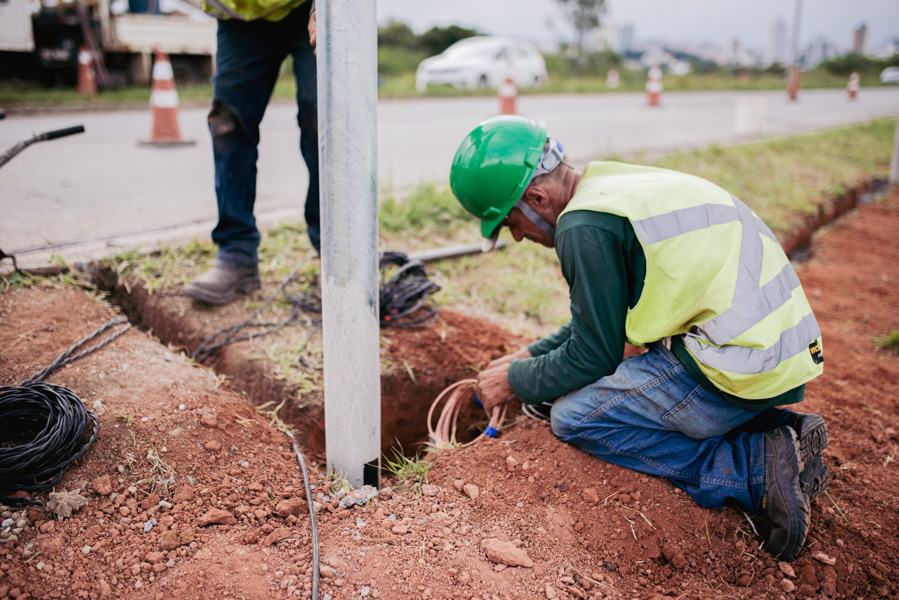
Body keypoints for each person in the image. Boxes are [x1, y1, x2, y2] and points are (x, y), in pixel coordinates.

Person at [450, 115, 829, 562]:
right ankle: (781, 433)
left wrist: (515, 380)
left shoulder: (582, 227)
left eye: (511, 222)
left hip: (733, 366)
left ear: (536, 197)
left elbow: (595, 354)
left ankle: (753, 471)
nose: (517, 236)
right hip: (776, 355)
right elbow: (597, 327)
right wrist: (530, 356)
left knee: (575, 417)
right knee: (616, 384)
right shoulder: (610, 188)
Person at [186, 0, 320, 305]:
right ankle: (236, 253)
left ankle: (337, 254)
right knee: (227, 122)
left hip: (311, 5)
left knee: (324, 119)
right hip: (242, 15)